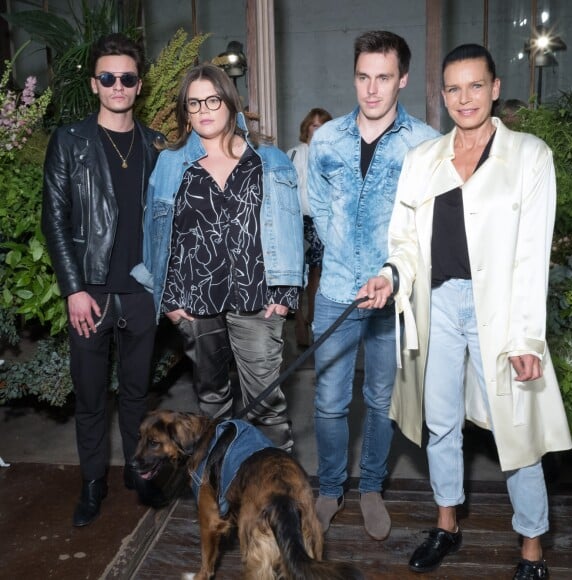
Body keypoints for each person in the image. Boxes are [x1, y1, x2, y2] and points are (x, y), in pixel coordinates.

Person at [357, 44, 572, 578]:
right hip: (436, 305)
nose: (464, 98)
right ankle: (447, 522)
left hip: (501, 310)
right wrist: (390, 277)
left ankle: (531, 547)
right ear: (442, 94)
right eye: (453, 88)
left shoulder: (529, 156)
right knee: (442, 424)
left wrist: (526, 338)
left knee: (516, 427)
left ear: (495, 88)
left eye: (476, 85)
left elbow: (531, 256)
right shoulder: (423, 160)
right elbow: (405, 241)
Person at [307, 30, 438, 540]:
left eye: (384, 77)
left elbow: (427, 224)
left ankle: (371, 490)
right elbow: (318, 206)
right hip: (337, 292)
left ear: (402, 78)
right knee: (329, 402)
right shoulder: (326, 140)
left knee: (381, 400)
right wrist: (344, 256)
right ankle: (331, 487)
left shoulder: (424, 143)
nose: (372, 89)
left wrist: (391, 273)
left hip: (394, 298)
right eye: (363, 76)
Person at [132, 63, 303, 453]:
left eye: (212, 99)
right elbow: (156, 235)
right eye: (194, 103)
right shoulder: (172, 163)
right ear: (186, 112)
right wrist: (170, 300)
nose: (204, 109)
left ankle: (276, 488)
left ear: (229, 102)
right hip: (195, 301)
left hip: (258, 298)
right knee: (212, 400)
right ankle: (220, 483)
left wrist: (284, 294)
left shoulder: (269, 160)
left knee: (266, 403)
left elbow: (292, 229)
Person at [42, 33, 165, 526]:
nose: (118, 86)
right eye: (108, 78)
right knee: (92, 397)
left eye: (127, 77)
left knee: (137, 395)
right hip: (89, 292)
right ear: (95, 84)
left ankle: (140, 474)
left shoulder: (157, 144)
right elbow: (54, 218)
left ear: (139, 85)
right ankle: (92, 483)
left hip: (141, 294)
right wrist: (73, 288)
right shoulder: (70, 141)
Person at [287, 107, 332, 346]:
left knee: (317, 269)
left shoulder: (332, 154)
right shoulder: (293, 154)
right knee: (296, 273)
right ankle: (299, 321)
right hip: (295, 220)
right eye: (315, 125)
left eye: (323, 125)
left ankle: (314, 318)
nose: (319, 129)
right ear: (307, 127)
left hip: (321, 221)